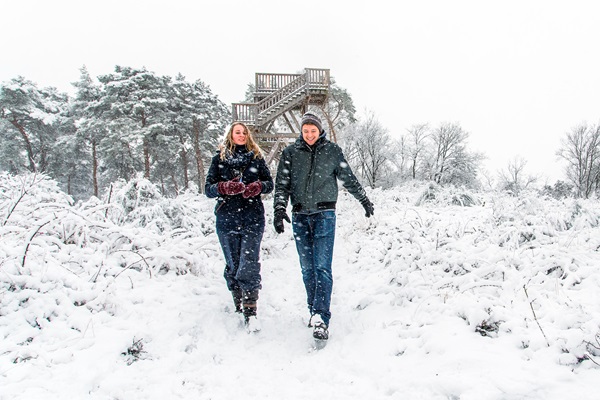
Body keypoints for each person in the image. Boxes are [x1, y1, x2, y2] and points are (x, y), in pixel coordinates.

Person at [273, 112, 374, 341]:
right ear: (301, 131)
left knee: (322, 268)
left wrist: (364, 200)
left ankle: (321, 317)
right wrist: (279, 209)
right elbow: (282, 184)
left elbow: (348, 178)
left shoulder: (332, 151)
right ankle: (314, 311)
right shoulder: (290, 154)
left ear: (320, 131)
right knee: (307, 269)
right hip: (299, 215)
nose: (309, 134)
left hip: (324, 215)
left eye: (313, 130)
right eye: (306, 130)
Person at [205, 122, 273, 331]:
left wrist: (257, 186)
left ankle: (250, 307)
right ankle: (238, 297)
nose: (241, 135)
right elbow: (208, 189)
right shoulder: (220, 160)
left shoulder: (256, 158)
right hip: (227, 218)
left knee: (249, 262)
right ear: (230, 135)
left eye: (244, 132)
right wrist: (224, 187)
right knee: (234, 263)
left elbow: (269, 183)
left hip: (252, 216)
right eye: (238, 132)